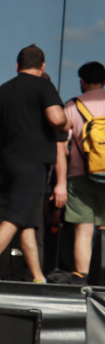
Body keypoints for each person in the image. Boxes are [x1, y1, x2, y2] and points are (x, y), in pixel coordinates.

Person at [0, 45, 69, 281]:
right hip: (32, 164)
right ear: (43, 66)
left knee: (26, 220)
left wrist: (12, 135)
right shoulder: (44, 86)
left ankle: (38, 276)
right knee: (16, 217)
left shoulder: (1, 91)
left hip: (6, 163)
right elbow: (57, 118)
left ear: (17, 66)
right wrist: (66, 125)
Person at [59, 61, 105, 284]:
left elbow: (62, 146)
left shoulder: (72, 106)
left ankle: (84, 281)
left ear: (83, 82)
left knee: (83, 231)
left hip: (80, 175)